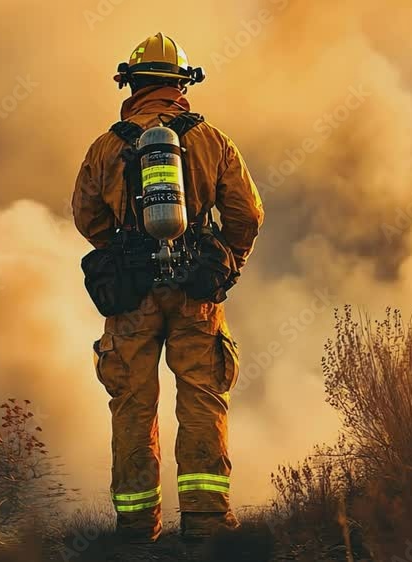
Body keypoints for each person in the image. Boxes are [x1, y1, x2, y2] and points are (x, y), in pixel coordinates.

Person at [71, 32, 264, 545]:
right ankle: (206, 523)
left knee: (133, 405)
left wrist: (124, 250)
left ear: (131, 84)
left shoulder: (106, 146)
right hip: (195, 291)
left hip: (132, 296)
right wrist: (226, 265)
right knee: (202, 397)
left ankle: (137, 526)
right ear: (182, 84)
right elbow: (247, 213)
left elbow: (86, 216)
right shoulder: (211, 140)